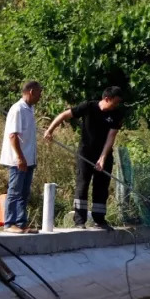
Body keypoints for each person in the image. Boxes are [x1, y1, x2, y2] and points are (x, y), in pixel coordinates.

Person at [43, 86, 125, 230]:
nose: (116, 105)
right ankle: (79, 221)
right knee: (82, 185)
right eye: (115, 102)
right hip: (85, 153)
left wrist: (103, 158)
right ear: (107, 99)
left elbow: (111, 137)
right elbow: (64, 115)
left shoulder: (117, 114)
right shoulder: (88, 106)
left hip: (104, 154)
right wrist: (50, 130)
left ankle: (99, 220)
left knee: (101, 187)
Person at [0, 81, 42, 233]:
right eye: (39, 93)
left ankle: (21, 222)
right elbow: (13, 135)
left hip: (29, 158)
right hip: (18, 159)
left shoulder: (30, 109)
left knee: (24, 192)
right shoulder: (18, 109)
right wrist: (20, 157)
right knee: (15, 191)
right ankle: (9, 223)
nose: (40, 96)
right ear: (31, 91)